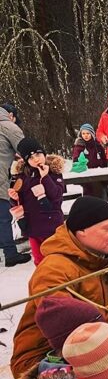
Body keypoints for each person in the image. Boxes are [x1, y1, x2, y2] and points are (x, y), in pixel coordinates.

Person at [10, 196, 108, 379]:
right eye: (107, 228)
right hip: (43, 356)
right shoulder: (54, 268)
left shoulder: (96, 259)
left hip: (83, 344)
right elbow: (59, 318)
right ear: (82, 231)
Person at [9, 137, 65, 264]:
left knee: (56, 260)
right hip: (33, 228)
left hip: (52, 227)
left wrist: (45, 178)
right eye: (31, 157)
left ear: (44, 153)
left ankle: (60, 282)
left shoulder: (54, 173)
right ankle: (43, 282)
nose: (36, 159)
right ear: (26, 160)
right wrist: (14, 198)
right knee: (39, 261)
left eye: (38, 154)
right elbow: (20, 203)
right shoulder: (23, 177)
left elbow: (57, 196)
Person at [0, 103, 30, 266]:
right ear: (10, 115)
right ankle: (10, 254)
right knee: (3, 217)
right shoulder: (8, 126)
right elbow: (25, 148)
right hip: (0, 175)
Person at [71, 123, 108, 198]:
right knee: (89, 195)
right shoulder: (79, 145)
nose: (86, 135)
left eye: (88, 133)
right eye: (83, 133)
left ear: (92, 134)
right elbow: (75, 160)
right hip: (86, 175)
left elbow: (104, 159)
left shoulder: (97, 145)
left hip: (99, 174)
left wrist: (104, 169)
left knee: (101, 194)